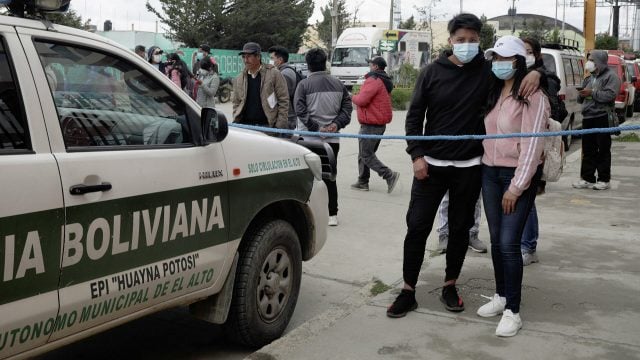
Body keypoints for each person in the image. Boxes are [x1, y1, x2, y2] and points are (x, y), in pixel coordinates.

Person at [386, 13, 541, 319]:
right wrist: (417, 155)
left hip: (470, 167)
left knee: (460, 229)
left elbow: (520, 72)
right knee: (417, 226)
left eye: (472, 41)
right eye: (461, 40)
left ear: (479, 42)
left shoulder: (488, 72)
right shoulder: (431, 72)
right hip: (430, 166)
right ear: (450, 41)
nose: (466, 45)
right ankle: (407, 290)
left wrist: (541, 74)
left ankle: (449, 284)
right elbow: (414, 117)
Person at [476, 35, 549, 337]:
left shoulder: (532, 94)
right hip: (490, 173)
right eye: (496, 58)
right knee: (496, 241)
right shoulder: (494, 89)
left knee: (509, 244)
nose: (499, 63)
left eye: (505, 59)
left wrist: (517, 186)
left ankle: (513, 311)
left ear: (519, 61)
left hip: (515, 178)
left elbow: (532, 146)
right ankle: (501, 295)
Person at [520, 37, 567, 266]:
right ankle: (521, 244)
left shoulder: (544, 78)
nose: (523, 55)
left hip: (535, 149)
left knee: (527, 200)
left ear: (537, 54)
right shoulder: (510, 75)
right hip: (514, 149)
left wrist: (538, 74)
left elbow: (552, 83)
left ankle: (529, 247)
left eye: (528, 51)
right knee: (518, 199)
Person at [294, 48, 352, 227]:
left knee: (307, 177)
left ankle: (306, 215)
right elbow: (347, 109)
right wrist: (335, 125)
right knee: (329, 177)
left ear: (308, 65)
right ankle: (332, 214)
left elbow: (300, 110)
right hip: (332, 140)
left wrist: (315, 128)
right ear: (325, 62)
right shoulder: (338, 84)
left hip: (308, 139)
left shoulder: (303, 85)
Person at [349, 56, 400, 194]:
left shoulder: (373, 80)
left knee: (366, 155)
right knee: (364, 153)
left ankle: (389, 175)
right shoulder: (384, 80)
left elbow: (362, 100)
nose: (369, 66)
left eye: (370, 64)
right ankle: (362, 181)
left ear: (376, 67)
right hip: (378, 124)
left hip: (370, 123)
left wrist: (350, 96)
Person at [572, 50, 620, 191]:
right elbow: (581, 99)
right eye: (589, 59)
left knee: (603, 149)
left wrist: (592, 93)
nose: (589, 62)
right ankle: (587, 178)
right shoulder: (589, 78)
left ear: (599, 61)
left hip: (602, 117)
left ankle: (604, 179)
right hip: (588, 117)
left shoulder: (611, 77)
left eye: (592, 59)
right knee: (588, 149)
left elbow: (610, 95)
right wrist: (581, 94)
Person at [232, 42, 289, 130]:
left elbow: (283, 101)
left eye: (249, 56)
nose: (245, 60)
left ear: (258, 56)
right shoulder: (239, 78)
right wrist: (236, 116)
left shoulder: (274, 74)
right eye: (243, 57)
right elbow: (236, 102)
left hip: (267, 126)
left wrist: (279, 126)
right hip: (245, 127)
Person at [268, 45, 299, 130]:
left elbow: (280, 98)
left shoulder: (284, 74)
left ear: (280, 60)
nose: (270, 61)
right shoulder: (284, 71)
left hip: (286, 119)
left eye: (272, 58)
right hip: (286, 117)